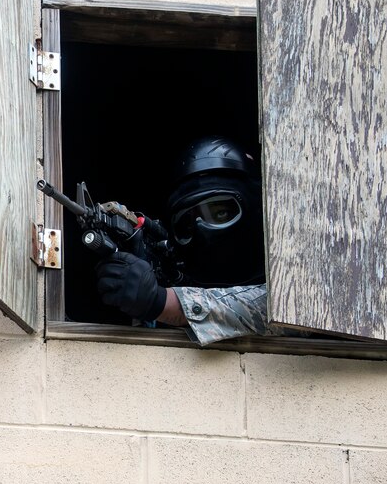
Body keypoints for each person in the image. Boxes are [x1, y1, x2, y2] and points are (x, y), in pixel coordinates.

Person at [94, 136, 273, 346]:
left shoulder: (295, 279)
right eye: (187, 225)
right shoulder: (178, 272)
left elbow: (279, 310)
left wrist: (162, 302)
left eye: (221, 213)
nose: (203, 230)